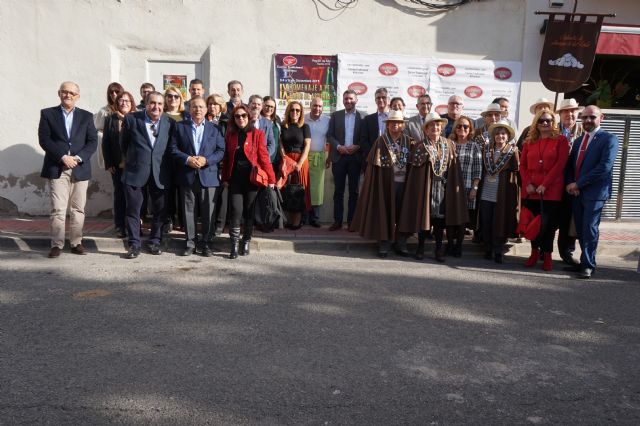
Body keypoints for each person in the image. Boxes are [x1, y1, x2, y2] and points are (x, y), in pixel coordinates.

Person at [38, 81, 98, 258]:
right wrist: (62, 157)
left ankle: (76, 242)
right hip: (58, 167)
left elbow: (92, 141)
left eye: (72, 93)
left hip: (80, 167)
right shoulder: (48, 114)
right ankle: (56, 244)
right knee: (58, 208)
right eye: (65, 92)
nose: (68, 95)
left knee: (78, 208)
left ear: (77, 96)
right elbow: (44, 139)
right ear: (59, 93)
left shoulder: (87, 116)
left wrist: (78, 158)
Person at [398, 112, 468, 262]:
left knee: (440, 221)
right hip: (426, 187)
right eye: (431, 125)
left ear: (442, 127)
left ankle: (438, 249)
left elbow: (453, 169)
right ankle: (421, 247)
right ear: (426, 129)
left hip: (443, 187)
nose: (435, 127)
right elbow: (415, 172)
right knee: (426, 218)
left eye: (437, 125)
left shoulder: (449, 144)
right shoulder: (420, 146)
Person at [565, 105, 619, 279]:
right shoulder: (579, 141)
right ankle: (583, 262)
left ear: (601, 118)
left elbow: (604, 167)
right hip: (576, 193)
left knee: (589, 229)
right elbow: (571, 166)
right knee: (580, 229)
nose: (588, 120)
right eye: (585, 117)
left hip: (594, 194)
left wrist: (578, 184)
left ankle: (588, 265)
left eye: (592, 117)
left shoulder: (609, 139)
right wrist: (570, 184)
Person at [350, 110, 413, 257]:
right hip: (386, 183)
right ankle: (384, 242)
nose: (395, 125)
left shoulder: (409, 141)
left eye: (398, 123)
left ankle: (400, 242)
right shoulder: (381, 141)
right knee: (385, 212)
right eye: (392, 123)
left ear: (402, 125)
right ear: (388, 125)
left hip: (404, 183)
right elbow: (373, 166)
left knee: (402, 213)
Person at [170, 96, 225, 257]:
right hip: (187, 176)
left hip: (208, 176)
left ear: (206, 109)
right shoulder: (180, 127)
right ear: (189, 109)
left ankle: (207, 243)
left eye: (201, 107)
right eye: (194, 106)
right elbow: (173, 149)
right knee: (188, 211)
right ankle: (190, 243)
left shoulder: (215, 129)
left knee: (209, 212)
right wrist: (187, 159)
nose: (198, 109)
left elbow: (221, 151)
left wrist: (206, 160)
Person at [120, 91, 173, 259]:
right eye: (152, 103)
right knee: (133, 210)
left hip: (160, 173)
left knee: (160, 210)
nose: (155, 107)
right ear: (146, 103)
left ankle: (155, 241)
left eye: (159, 104)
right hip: (135, 171)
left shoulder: (169, 122)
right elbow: (124, 144)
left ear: (163, 106)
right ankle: (134, 244)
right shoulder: (131, 119)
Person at [221, 105, 275, 259]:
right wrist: (225, 178)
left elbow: (264, 158)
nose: (241, 119)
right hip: (235, 180)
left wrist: (271, 179)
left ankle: (246, 241)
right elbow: (226, 159)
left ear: (249, 117)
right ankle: (234, 245)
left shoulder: (257, 134)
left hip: (252, 180)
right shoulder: (230, 135)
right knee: (236, 212)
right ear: (233, 118)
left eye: (244, 115)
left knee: (249, 212)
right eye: (237, 116)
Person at [520, 109, 570, 271]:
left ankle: (547, 255)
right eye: (541, 121)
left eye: (548, 120)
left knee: (548, 226)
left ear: (553, 122)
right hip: (531, 191)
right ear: (536, 123)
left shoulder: (561, 140)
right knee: (533, 225)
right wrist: (527, 183)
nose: (545, 123)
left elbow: (560, 165)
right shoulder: (529, 142)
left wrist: (545, 184)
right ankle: (534, 253)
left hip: (551, 192)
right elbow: (523, 166)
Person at [478, 120, 520, 263]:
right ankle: (488, 249)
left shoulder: (512, 151)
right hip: (486, 193)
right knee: (486, 222)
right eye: (497, 134)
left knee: (499, 222)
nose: (500, 136)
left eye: (503, 134)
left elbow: (517, 172)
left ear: (507, 136)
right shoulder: (486, 149)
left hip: (502, 194)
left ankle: (498, 251)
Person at [326, 89, 365, 231]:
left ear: (356, 100)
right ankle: (337, 221)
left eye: (351, 99)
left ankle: (352, 222)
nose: (348, 101)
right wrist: (338, 147)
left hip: (355, 158)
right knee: (338, 191)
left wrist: (358, 146)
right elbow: (330, 135)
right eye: (346, 99)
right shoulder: (336, 116)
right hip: (339, 157)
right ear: (343, 101)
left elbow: (364, 137)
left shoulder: (363, 117)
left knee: (354, 191)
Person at [102, 91, 136, 238]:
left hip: (135, 166)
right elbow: (106, 143)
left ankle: (134, 226)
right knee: (120, 195)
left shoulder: (136, 118)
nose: (124, 103)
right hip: (117, 165)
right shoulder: (110, 119)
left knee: (134, 197)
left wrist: (127, 120)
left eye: (127, 101)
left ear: (132, 103)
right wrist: (109, 163)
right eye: (121, 100)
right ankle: (120, 226)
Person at [555, 98, 584, 266]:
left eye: (573, 111)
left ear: (577, 113)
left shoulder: (583, 132)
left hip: (573, 185)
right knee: (550, 220)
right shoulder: (552, 130)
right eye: (566, 111)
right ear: (560, 114)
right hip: (554, 183)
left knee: (569, 220)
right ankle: (545, 251)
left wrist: (577, 183)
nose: (570, 114)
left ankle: (567, 253)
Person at [449, 115, 482, 256]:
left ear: (470, 129)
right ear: (455, 128)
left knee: (462, 218)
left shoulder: (474, 146)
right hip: (450, 187)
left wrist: (474, 188)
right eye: (459, 126)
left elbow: (477, 169)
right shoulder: (449, 143)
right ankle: (450, 245)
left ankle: (459, 246)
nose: (462, 129)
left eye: (465, 126)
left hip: (467, 187)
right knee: (450, 216)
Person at [279, 101, 312, 229]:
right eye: (292, 110)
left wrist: (299, 163)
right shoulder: (283, 126)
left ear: (301, 112)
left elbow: (307, 146)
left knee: (298, 191)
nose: (295, 112)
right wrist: (284, 158)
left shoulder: (305, 127)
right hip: (287, 161)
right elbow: (280, 144)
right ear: (288, 111)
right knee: (287, 190)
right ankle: (291, 220)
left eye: (298, 110)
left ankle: (297, 221)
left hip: (300, 162)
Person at [162, 86, 187, 231]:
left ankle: (184, 221)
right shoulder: (161, 115)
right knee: (168, 191)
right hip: (166, 159)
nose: (173, 99)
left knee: (183, 191)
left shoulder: (186, 116)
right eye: (170, 96)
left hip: (182, 159)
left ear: (180, 99)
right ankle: (169, 219)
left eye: (176, 96)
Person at [305, 96, 330, 228]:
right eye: (315, 105)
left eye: (320, 106)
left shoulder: (327, 121)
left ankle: (315, 217)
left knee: (317, 190)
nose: (317, 108)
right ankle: (303, 217)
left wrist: (329, 157)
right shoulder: (303, 118)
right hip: (304, 157)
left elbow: (330, 139)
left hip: (319, 158)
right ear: (310, 106)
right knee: (304, 187)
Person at [360, 87, 390, 169]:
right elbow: (363, 140)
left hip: (391, 160)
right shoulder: (368, 119)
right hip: (372, 160)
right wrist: (374, 153)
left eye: (383, 97)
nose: (380, 100)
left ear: (389, 100)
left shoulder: (394, 118)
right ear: (375, 101)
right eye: (378, 98)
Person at [248, 94, 276, 160]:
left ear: (262, 106)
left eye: (259, 104)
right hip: (245, 159)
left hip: (262, 159)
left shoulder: (267, 123)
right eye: (254, 103)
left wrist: (263, 155)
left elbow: (271, 144)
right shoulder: (243, 120)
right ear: (249, 104)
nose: (256, 106)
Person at [261, 96, 281, 164]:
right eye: (267, 106)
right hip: (264, 158)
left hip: (276, 158)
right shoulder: (258, 120)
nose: (269, 109)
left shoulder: (277, 119)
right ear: (262, 105)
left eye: (272, 107)